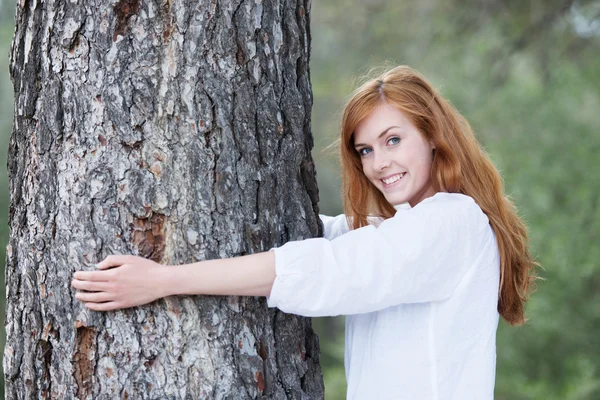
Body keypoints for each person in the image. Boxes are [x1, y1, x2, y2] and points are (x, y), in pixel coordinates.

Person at [72, 65, 537, 399]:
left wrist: (164, 281)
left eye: (393, 139)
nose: (380, 164)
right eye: (365, 150)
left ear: (433, 135)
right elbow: (335, 238)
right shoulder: (410, 230)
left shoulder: (452, 221)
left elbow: (327, 270)